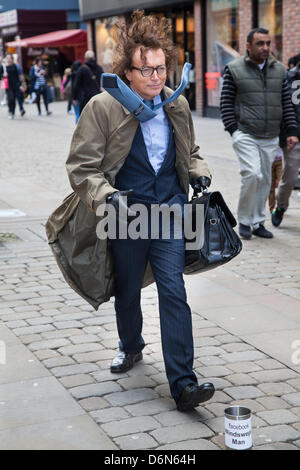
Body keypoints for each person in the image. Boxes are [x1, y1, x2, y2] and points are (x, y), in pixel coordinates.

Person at [46, 10, 215, 412]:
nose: (157, 78)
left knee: (174, 289)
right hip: (125, 213)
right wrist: (108, 197)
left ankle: (184, 384)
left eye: (162, 68)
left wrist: (198, 170)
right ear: (127, 70)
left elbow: (189, 152)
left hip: (170, 210)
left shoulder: (177, 105)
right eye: (147, 70)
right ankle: (130, 345)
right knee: (126, 289)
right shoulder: (103, 107)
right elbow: (82, 167)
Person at [220, 27, 298, 240]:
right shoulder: (234, 69)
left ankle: (258, 222)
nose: (265, 48)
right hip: (245, 133)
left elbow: (286, 103)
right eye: (260, 44)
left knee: (265, 180)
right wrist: (233, 130)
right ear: (248, 46)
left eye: (267, 43)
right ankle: (244, 221)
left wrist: (291, 131)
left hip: (270, 135)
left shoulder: (279, 70)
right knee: (252, 174)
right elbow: (225, 102)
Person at [272, 54, 300, 226]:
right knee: (289, 177)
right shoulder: (287, 79)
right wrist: (289, 132)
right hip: (293, 136)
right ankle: (280, 206)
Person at [73, 50, 103, 115]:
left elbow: (76, 84)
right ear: (94, 57)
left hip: (85, 98)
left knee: (85, 118)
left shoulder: (82, 69)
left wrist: (75, 98)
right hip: (98, 97)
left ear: (85, 58)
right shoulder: (99, 68)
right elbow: (103, 82)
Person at [4, 53, 25, 119]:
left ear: (12, 59)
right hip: (8, 86)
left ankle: (19, 110)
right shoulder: (4, 67)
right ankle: (11, 111)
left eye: (10, 58)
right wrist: (3, 75)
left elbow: (21, 76)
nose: (8, 59)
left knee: (19, 98)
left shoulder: (16, 66)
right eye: (7, 58)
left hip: (17, 85)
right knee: (11, 99)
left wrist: (23, 84)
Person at [268, 146, 283, 212]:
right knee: (270, 187)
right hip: (269, 161)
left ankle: (280, 206)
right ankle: (272, 209)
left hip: (281, 160)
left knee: (282, 183)